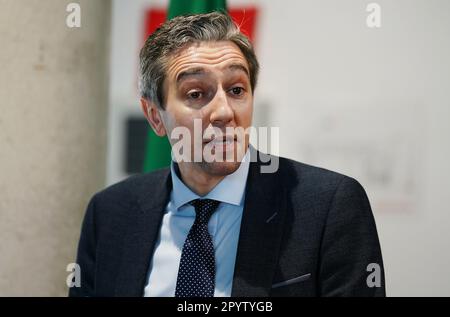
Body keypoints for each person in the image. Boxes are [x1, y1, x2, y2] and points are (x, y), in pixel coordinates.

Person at [69, 12, 385, 297]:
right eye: (196, 93)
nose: (223, 112)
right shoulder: (110, 213)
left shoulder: (329, 206)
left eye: (236, 90)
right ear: (154, 116)